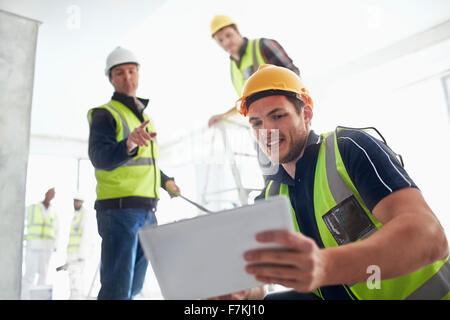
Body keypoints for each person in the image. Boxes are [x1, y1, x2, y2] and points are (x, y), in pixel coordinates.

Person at [229, 64, 449, 300]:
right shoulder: (270, 197)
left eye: (278, 116)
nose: (267, 131)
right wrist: (241, 292)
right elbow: (263, 277)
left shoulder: (350, 149)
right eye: (256, 123)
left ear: (306, 114)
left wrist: (324, 267)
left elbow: (430, 238)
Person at [87, 46, 181, 300]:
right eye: (120, 73)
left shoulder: (143, 116)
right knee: (116, 291)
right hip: (119, 211)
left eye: (131, 71)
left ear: (138, 74)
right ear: (111, 79)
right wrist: (128, 144)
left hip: (147, 212)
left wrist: (164, 181)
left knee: (134, 288)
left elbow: (145, 162)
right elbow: (100, 158)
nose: (127, 77)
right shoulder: (105, 114)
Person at [208, 15, 301, 181]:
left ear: (237, 31)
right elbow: (245, 101)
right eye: (220, 40)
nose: (226, 43)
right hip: (260, 128)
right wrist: (223, 116)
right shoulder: (233, 68)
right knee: (273, 178)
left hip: (282, 119)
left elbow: (293, 76)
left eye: (228, 35)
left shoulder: (262, 46)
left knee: (299, 168)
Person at [22, 187, 59, 300]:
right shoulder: (32, 208)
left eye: (54, 194)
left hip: (46, 248)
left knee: (43, 275)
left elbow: (57, 230)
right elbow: (19, 220)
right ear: (46, 193)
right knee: (30, 274)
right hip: (33, 245)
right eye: (50, 193)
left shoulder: (54, 212)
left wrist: (55, 245)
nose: (51, 196)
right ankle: (24, 297)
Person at [65, 194, 93, 299]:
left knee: (77, 278)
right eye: (74, 201)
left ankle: (76, 297)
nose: (75, 203)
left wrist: (82, 254)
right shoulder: (75, 215)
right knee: (72, 277)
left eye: (78, 201)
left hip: (79, 254)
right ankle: (73, 297)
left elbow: (86, 235)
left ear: (82, 202)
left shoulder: (85, 215)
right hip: (72, 252)